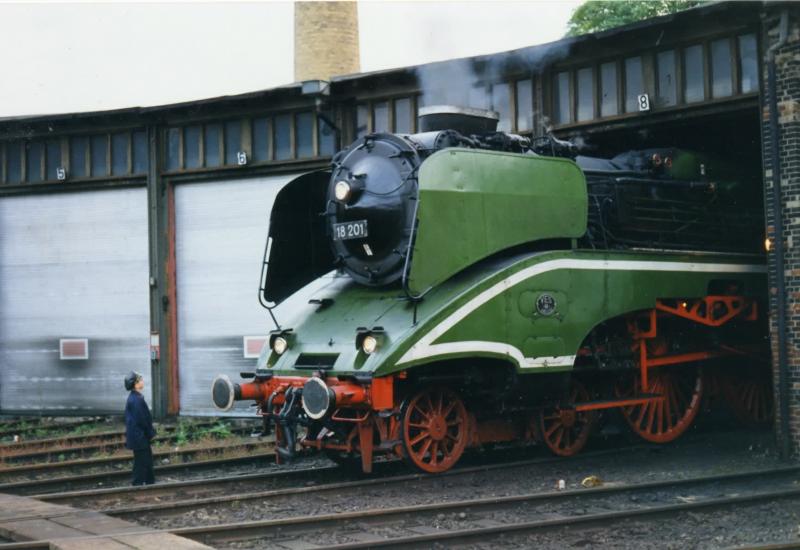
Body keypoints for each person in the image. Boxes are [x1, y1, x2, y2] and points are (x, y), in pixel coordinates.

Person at [124, 371, 156, 485]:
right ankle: (137, 485)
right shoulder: (136, 400)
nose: (143, 381)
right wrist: (150, 433)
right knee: (141, 462)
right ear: (136, 384)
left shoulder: (135, 398)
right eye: (140, 380)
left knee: (146, 461)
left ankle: (149, 483)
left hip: (139, 436)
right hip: (139, 437)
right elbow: (142, 420)